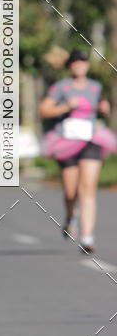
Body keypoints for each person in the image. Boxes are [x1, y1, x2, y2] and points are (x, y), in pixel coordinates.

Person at [39, 49, 115, 254]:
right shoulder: (60, 87)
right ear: (70, 66)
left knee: (87, 188)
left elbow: (101, 106)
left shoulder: (96, 87)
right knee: (71, 191)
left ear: (86, 65)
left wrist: (104, 108)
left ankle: (87, 237)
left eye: (82, 62)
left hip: (90, 138)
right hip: (66, 140)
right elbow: (44, 110)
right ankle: (71, 217)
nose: (79, 66)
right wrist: (64, 106)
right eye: (75, 63)